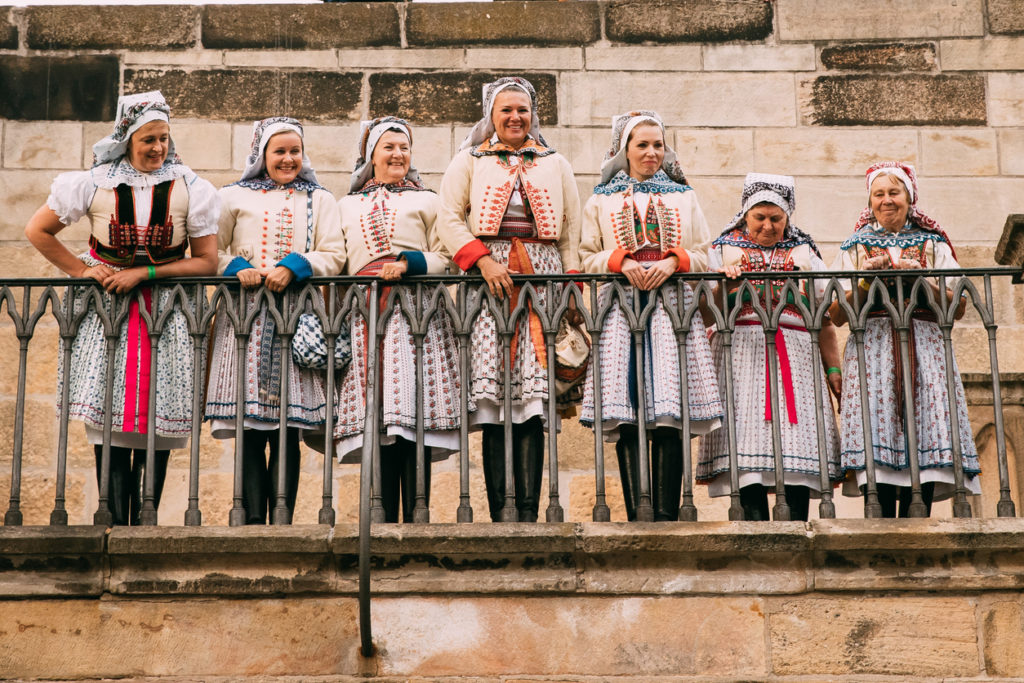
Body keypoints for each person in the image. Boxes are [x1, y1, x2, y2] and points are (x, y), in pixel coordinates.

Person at [24, 90, 219, 525]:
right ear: (128, 137)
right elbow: (38, 230)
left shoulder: (190, 187)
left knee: (159, 414)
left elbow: (207, 261)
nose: (157, 148)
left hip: (167, 311)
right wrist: (80, 271)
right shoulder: (94, 183)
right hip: (107, 309)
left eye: (164, 138)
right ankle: (110, 517)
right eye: (148, 138)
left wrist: (146, 274)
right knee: (110, 410)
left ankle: (145, 521)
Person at [437, 76, 581, 522]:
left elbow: (571, 228)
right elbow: (448, 218)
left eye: (522, 110)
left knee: (533, 400)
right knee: (498, 400)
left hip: (541, 278)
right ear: (491, 116)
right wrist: (482, 261)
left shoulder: (555, 163)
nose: (515, 117)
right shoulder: (470, 160)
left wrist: (571, 289)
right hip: (490, 279)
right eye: (506, 111)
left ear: (532, 114)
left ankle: (531, 514)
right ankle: (502, 513)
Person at [578, 110, 722, 522]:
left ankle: (665, 512)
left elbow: (704, 253)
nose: (651, 152)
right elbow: (586, 255)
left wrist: (674, 261)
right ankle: (638, 511)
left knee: (669, 410)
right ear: (624, 150)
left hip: (673, 308)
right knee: (627, 409)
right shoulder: (601, 200)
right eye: (642, 144)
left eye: (658, 144)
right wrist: (620, 261)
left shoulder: (684, 196)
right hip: (620, 308)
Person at [204, 117, 344, 525]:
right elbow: (211, 251)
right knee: (249, 427)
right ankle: (248, 522)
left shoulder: (321, 199)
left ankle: (282, 519)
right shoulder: (230, 196)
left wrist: (295, 265)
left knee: (288, 426)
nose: (288, 158)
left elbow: (334, 254)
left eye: (294, 151)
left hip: (297, 316)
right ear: (262, 155)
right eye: (279, 151)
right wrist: (238, 268)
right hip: (245, 317)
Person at [829, 161, 980, 517]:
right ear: (869, 201)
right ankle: (877, 517)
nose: (887, 201)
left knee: (925, 426)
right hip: (873, 346)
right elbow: (834, 315)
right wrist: (864, 281)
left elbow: (957, 307)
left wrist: (924, 279)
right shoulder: (854, 246)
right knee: (875, 425)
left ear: (909, 199)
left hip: (925, 344)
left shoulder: (932, 244)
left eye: (894, 193)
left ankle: (919, 514)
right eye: (878, 194)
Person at [334, 116, 460, 523]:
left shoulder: (428, 200)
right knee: (378, 418)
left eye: (404, 147)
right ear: (370, 155)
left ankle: (418, 514)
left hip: (416, 315)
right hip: (365, 314)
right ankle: (380, 514)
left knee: (412, 413)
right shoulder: (346, 205)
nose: (398, 154)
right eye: (388, 147)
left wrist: (409, 263)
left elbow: (448, 257)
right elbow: (336, 258)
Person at [696, 173, 842, 521]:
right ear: (745, 215)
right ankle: (753, 531)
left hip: (796, 356)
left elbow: (825, 318)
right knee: (747, 453)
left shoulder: (805, 253)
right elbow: (703, 313)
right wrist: (720, 283)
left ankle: (795, 528)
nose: (767, 225)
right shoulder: (721, 250)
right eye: (759, 217)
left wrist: (834, 369)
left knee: (797, 449)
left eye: (776, 218)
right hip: (740, 357)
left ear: (787, 217)